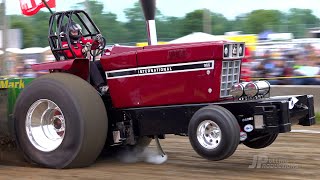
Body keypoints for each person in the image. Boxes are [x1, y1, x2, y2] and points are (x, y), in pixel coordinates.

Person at [61, 21, 108, 95]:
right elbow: (70, 54)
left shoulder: (80, 40)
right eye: (73, 32)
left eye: (76, 31)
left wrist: (97, 41)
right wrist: (83, 50)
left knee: (102, 62)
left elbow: (90, 43)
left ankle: (107, 82)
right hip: (72, 66)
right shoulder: (64, 43)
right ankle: (101, 86)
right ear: (68, 33)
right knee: (90, 64)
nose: (76, 33)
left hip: (83, 64)